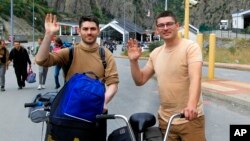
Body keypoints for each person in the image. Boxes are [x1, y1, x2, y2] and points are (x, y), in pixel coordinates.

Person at [35, 14, 119, 141]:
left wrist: (104, 101)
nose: (89, 32)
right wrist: (48, 35)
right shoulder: (69, 52)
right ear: (79, 31)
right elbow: (41, 60)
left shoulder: (105, 55)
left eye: (92, 29)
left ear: (98, 31)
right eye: (85, 29)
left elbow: (113, 83)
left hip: (96, 112)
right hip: (68, 112)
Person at [127, 11, 205, 141]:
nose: (165, 28)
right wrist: (133, 61)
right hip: (165, 121)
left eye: (169, 24)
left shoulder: (190, 48)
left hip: (190, 119)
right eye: (161, 25)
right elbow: (139, 80)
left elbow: (195, 78)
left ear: (177, 25)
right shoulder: (156, 53)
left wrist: (191, 105)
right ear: (157, 29)